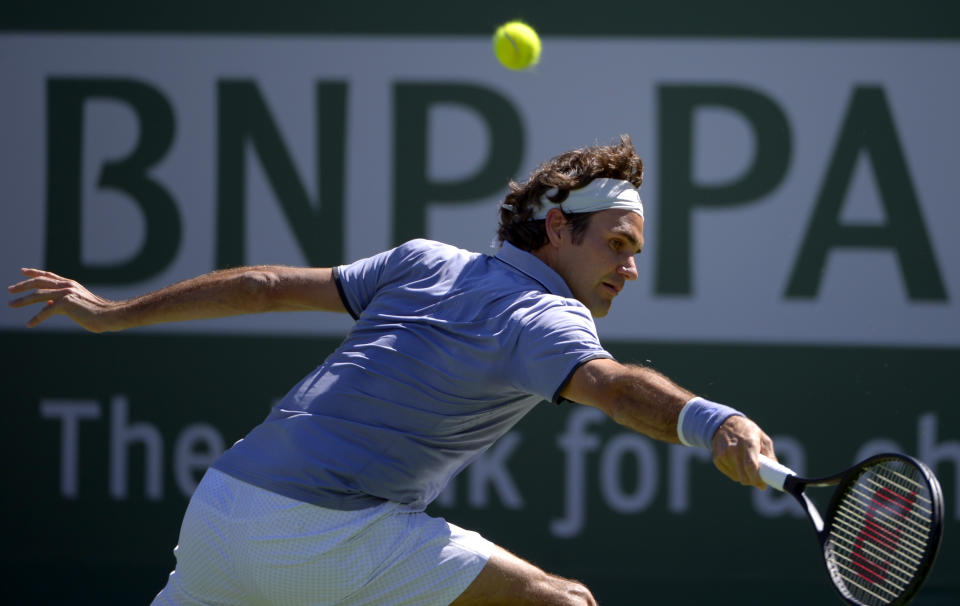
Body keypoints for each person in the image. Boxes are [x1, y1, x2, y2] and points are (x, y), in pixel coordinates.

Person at [9, 134, 776, 606]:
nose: (630, 268)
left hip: (219, 512)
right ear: (556, 229)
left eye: (636, 251)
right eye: (616, 245)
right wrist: (716, 422)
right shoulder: (546, 316)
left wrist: (110, 312)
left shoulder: (423, 261)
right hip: (324, 537)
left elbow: (264, 288)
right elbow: (610, 387)